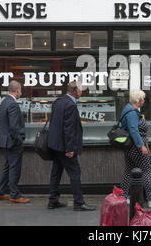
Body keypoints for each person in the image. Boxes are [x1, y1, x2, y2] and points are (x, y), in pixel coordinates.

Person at [47, 81, 96, 211]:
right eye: (80, 90)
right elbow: (68, 129)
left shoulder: (58, 101)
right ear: (75, 91)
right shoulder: (71, 105)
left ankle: (53, 200)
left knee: (56, 172)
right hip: (65, 146)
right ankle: (79, 203)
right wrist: (70, 149)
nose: (81, 92)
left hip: (55, 145)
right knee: (75, 172)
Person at [120, 89, 151, 208]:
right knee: (146, 170)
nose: (144, 101)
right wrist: (141, 145)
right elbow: (133, 130)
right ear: (138, 100)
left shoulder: (129, 109)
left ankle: (123, 197)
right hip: (136, 147)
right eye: (143, 99)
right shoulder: (131, 113)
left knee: (128, 171)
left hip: (130, 147)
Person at [0, 80, 30, 203]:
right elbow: (14, 127)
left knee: (8, 167)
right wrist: (20, 139)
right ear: (18, 90)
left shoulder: (4, 102)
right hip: (13, 142)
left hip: (5, 141)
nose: (21, 92)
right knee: (14, 168)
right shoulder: (13, 104)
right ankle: (14, 195)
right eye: (20, 90)